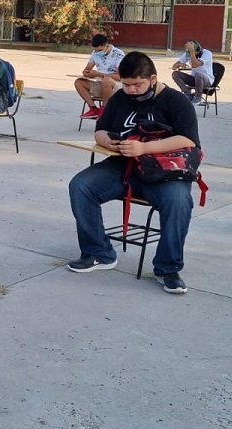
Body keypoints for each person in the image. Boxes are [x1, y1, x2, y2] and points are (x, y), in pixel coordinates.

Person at [67, 51, 200, 295]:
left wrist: (144, 147)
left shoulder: (176, 102)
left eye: (137, 84)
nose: (131, 90)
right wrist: (109, 142)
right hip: (123, 166)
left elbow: (188, 140)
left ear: (152, 79)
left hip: (163, 172)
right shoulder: (119, 98)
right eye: (127, 84)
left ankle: (168, 268)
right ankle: (99, 252)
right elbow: (100, 130)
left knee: (180, 201)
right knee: (81, 186)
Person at [75, 32, 124, 119]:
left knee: (107, 80)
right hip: (101, 83)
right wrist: (87, 73)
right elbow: (87, 69)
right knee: (79, 82)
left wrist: (100, 74)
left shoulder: (118, 54)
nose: (97, 52)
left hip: (116, 85)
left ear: (106, 45)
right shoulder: (95, 53)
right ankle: (93, 108)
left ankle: (104, 110)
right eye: (96, 50)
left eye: (100, 50)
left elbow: (120, 76)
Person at [171, 39, 215, 105]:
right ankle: (187, 93)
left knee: (198, 74)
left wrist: (192, 51)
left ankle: (198, 97)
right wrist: (180, 64)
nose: (194, 55)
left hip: (206, 80)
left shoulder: (207, 53)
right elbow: (174, 67)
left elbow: (195, 65)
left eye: (195, 53)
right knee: (175, 74)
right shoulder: (188, 53)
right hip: (194, 79)